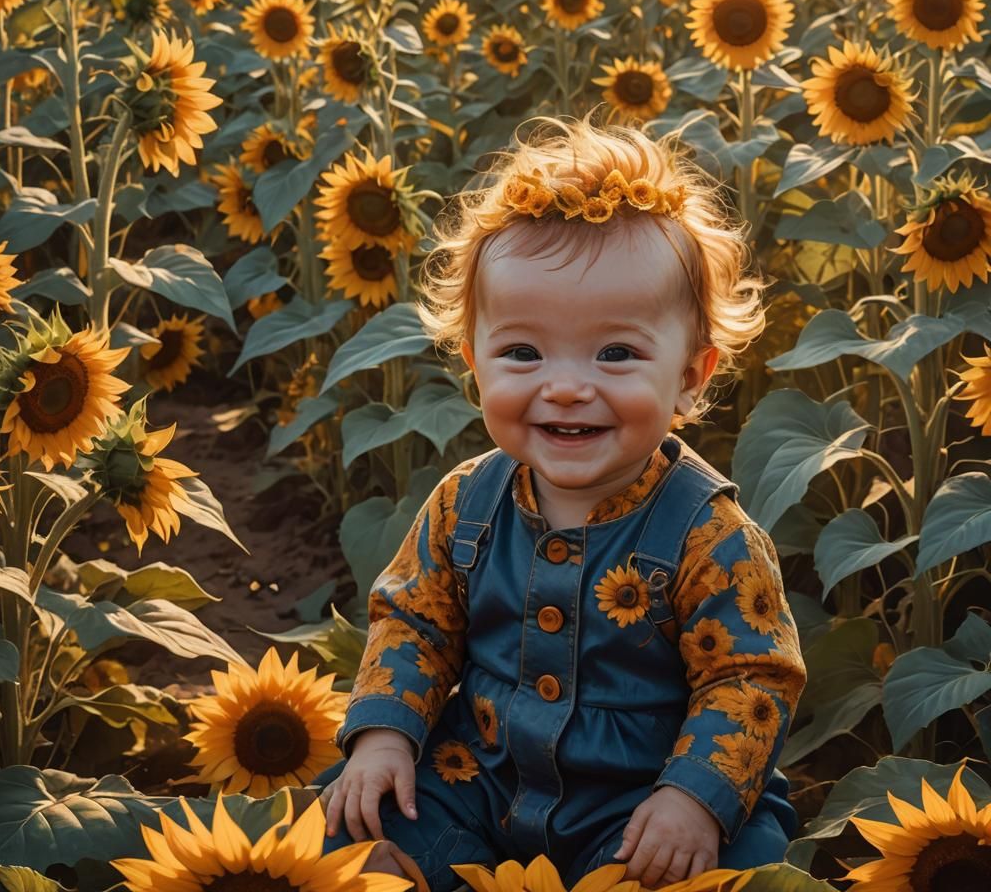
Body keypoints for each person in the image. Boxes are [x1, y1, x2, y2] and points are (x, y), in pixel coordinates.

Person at [313, 109, 807, 892]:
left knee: (731, 869)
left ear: (692, 374)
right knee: (350, 831)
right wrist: (383, 738)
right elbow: (413, 624)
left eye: (616, 353)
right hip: (479, 778)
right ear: (475, 363)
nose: (567, 385)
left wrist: (694, 799)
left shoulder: (710, 535)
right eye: (522, 352)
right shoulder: (462, 505)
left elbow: (750, 677)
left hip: (641, 803)